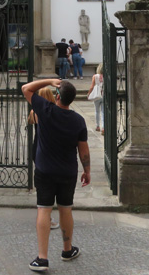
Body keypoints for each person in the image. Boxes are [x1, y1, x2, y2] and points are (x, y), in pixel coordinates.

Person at [21, 78, 90, 272]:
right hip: (68, 172)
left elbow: (25, 88)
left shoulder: (46, 110)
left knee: (44, 210)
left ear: (57, 95)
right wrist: (87, 170)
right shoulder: (78, 120)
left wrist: (50, 80)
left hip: (45, 170)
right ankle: (67, 250)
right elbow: (83, 150)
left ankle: (42, 259)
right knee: (65, 209)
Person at [27, 87, 59, 231]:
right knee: (50, 185)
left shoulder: (35, 112)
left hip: (37, 147)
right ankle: (48, 217)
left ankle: (42, 213)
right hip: (49, 148)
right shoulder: (53, 112)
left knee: (41, 182)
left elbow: (30, 121)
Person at [87, 64, 104, 133]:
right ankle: (103, 127)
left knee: (97, 111)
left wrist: (89, 93)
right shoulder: (106, 76)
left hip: (96, 95)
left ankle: (97, 126)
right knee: (103, 112)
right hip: (103, 95)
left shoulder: (95, 76)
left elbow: (92, 86)